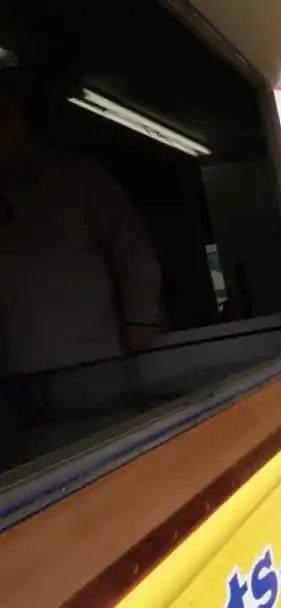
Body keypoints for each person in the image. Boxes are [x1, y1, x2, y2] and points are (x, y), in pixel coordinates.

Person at [0, 70, 161, 426]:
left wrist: (141, 318)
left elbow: (134, 254)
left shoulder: (76, 177)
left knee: (110, 453)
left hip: (88, 364)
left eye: (5, 110)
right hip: (11, 375)